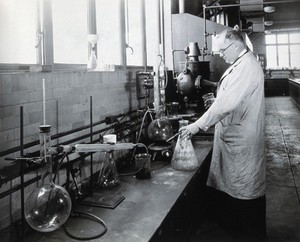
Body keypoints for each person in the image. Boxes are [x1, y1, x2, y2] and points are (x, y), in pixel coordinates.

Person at [180, 26, 266, 241]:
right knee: (235, 191)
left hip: (242, 141)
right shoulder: (240, 63)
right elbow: (228, 96)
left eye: (222, 50)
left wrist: (196, 126)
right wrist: (215, 100)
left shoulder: (247, 66)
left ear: (236, 44)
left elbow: (226, 104)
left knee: (245, 193)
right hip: (234, 135)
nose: (220, 55)